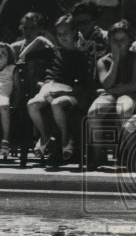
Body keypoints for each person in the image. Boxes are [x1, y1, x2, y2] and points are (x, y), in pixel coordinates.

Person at [24, 14, 95, 166]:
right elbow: (25, 56)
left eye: (66, 33)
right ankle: (45, 137)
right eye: (59, 34)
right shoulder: (53, 51)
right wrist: (40, 40)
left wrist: (63, 93)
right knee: (32, 104)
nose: (62, 37)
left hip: (68, 91)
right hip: (48, 88)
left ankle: (65, 139)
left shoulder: (80, 55)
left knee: (56, 104)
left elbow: (83, 85)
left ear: (75, 32)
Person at [86, 20, 136, 170]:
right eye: (115, 40)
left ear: (129, 41)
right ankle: (98, 154)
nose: (119, 43)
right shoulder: (104, 60)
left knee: (124, 111)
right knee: (93, 113)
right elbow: (106, 83)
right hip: (110, 94)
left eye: (123, 40)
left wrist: (114, 90)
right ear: (109, 41)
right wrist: (116, 60)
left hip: (128, 93)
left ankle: (127, 153)